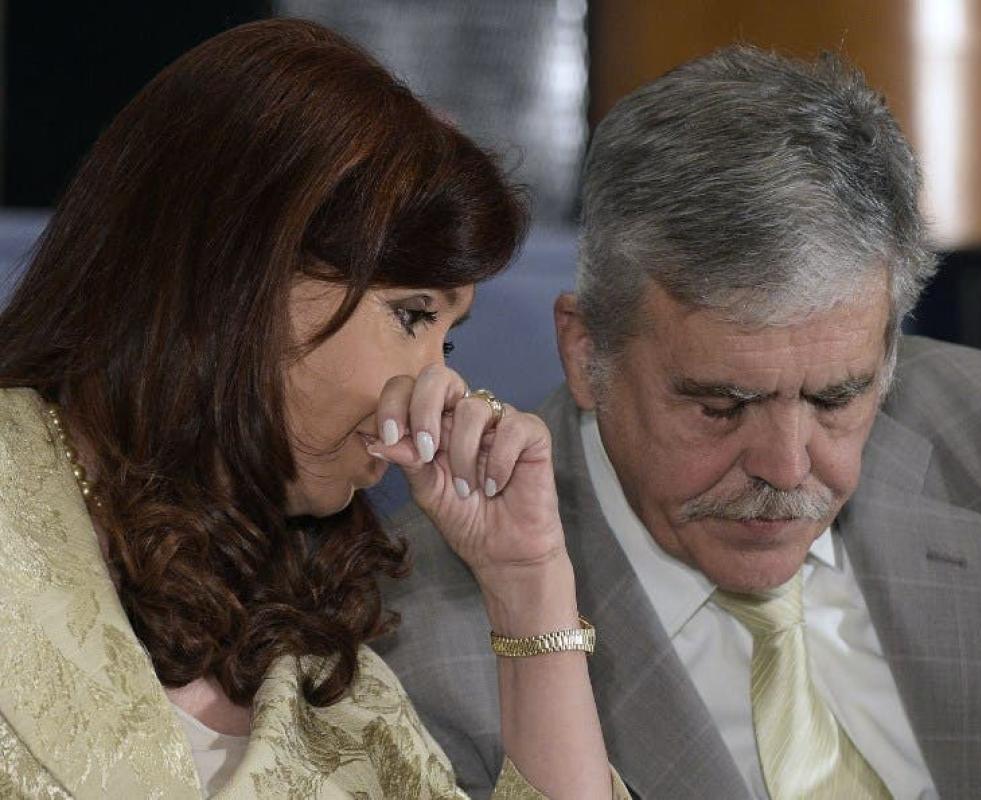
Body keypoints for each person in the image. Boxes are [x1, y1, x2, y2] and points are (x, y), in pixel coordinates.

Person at [375, 45, 981, 799]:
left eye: (835, 399)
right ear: (586, 352)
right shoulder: (418, 660)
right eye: (721, 406)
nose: (786, 468)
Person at [0, 18, 629, 799]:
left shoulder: (335, 670)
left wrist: (528, 585)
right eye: (410, 315)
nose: (440, 387)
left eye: (448, 341)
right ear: (238, 277)